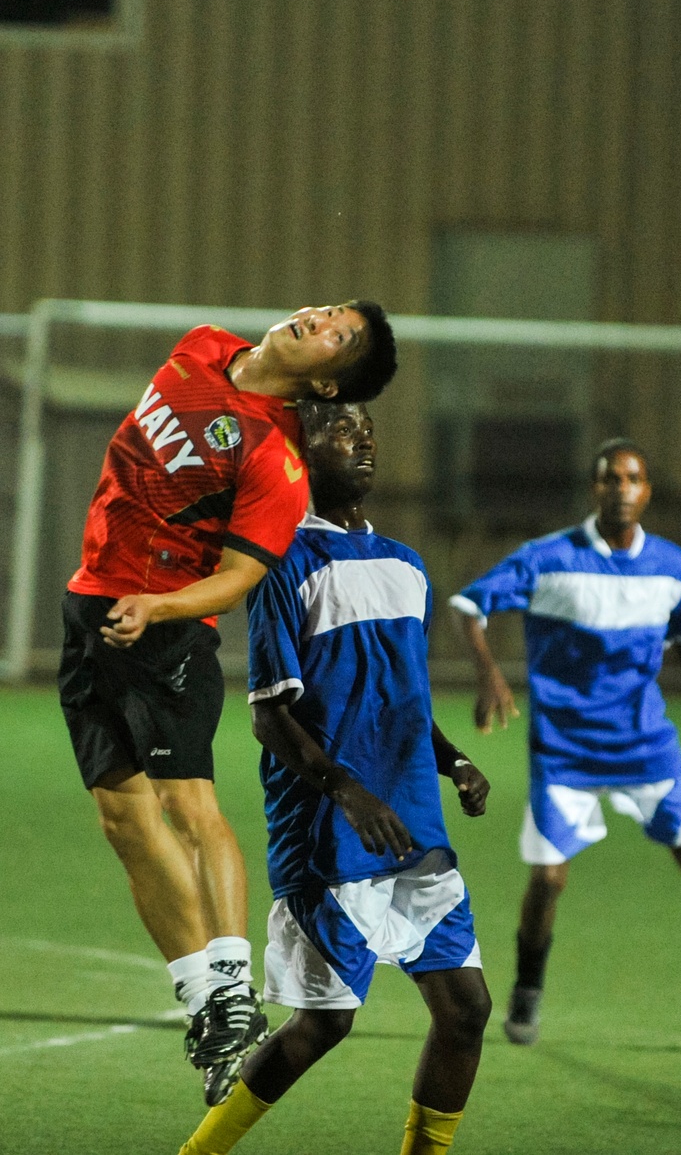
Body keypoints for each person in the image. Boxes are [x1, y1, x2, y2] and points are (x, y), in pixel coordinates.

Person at [57, 303, 398, 1104]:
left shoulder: (275, 460)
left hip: (163, 637)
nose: (316, 317)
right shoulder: (203, 347)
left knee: (189, 809)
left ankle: (236, 984)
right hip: (89, 607)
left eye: (337, 335)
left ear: (323, 378)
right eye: (329, 310)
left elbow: (241, 578)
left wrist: (159, 607)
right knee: (121, 818)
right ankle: (208, 1003)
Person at [177, 399, 492, 1155]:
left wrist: (453, 761)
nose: (363, 443)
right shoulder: (284, 563)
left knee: (465, 1008)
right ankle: (199, 1153)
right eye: (341, 431)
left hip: (413, 824)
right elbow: (269, 716)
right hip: (330, 830)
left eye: (369, 431)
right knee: (324, 1023)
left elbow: (402, 695)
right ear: (299, 453)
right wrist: (347, 793)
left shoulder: (407, 565)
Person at [449, 437, 681, 1060]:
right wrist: (490, 674)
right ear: (595, 488)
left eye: (633, 478)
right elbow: (468, 606)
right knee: (550, 879)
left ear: (647, 490)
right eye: (610, 478)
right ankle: (529, 985)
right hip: (565, 749)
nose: (621, 489)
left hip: (646, 746)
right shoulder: (548, 558)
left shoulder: (671, 565)